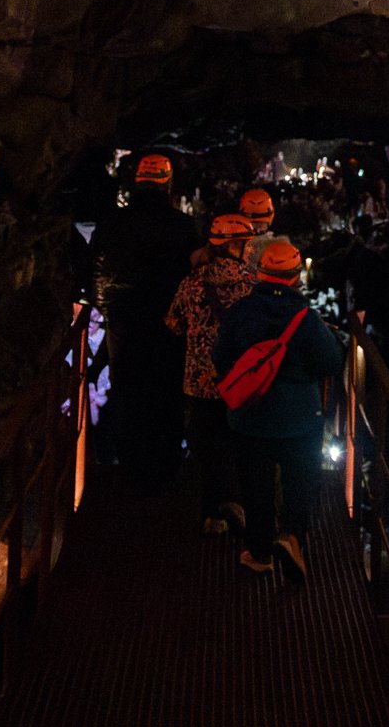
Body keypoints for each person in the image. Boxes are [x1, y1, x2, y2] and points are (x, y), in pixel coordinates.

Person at [212, 237, 343, 582]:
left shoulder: (239, 313)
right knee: (299, 482)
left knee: (256, 487)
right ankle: (293, 537)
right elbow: (330, 360)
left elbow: (220, 357)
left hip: (249, 418)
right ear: (296, 277)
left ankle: (259, 553)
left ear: (260, 273)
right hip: (299, 420)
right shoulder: (307, 320)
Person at [97, 152, 200, 488]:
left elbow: (96, 270)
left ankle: (130, 466)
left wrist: (105, 304)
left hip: (125, 319)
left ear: (137, 182)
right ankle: (165, 468)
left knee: (127, 389)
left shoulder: (112, 223)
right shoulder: (183, 226)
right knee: (167, 392)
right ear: (168, 183)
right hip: (168, 323)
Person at [166, 212, 258, 534]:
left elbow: (174, 323)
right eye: (246, 244)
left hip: (200, 383)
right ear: (234, 247)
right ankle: (240, 505)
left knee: (208, 450)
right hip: (240, 383)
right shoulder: (251, 285)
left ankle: (211, 515)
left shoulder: (192, 283)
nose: (250, 249)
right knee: (238, 445)